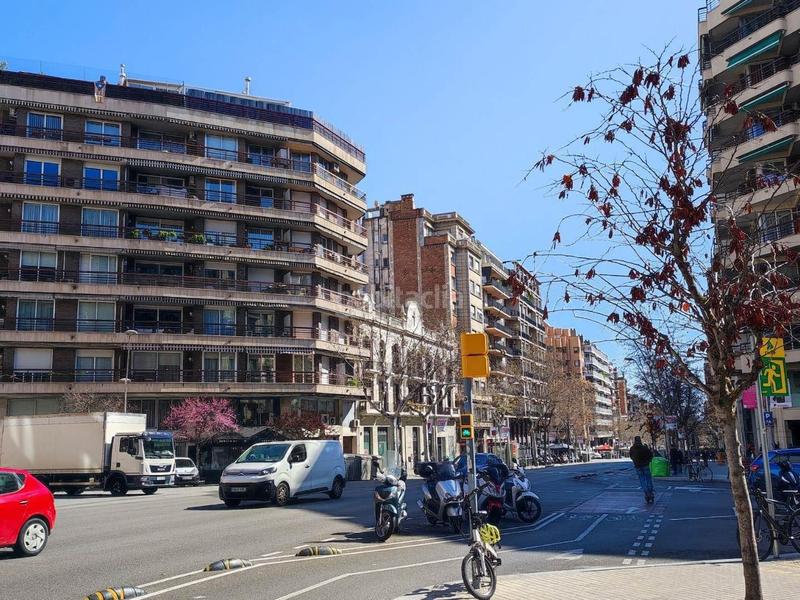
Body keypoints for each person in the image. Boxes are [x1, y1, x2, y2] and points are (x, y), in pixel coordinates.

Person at [630, 436, 655, 504]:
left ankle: (646, 492)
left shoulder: (632, 449)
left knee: (642, 480)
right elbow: (650, 455)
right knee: (648, 479)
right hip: (645, 465)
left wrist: (636, 462)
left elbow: (631, 457)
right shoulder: (644, 448)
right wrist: (648, 461)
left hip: (638, 466)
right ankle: (651, 492)